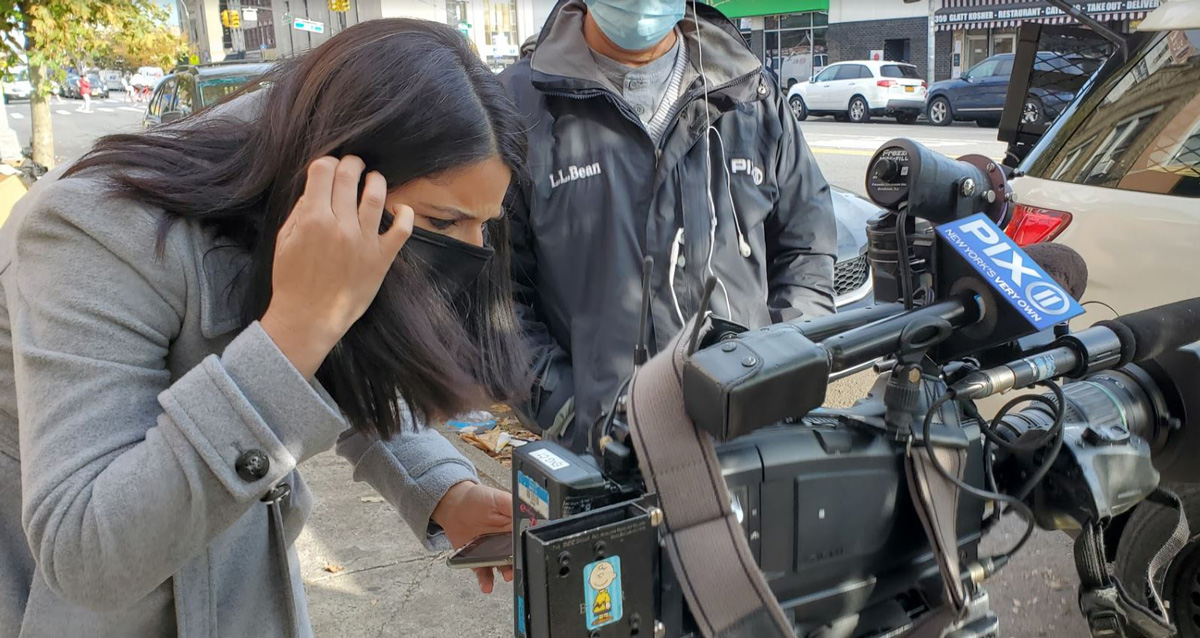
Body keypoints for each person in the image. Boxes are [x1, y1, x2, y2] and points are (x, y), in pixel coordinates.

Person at [0, 19, 528, 638]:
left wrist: (441, 490)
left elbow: (348, 357)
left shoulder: (303, 186)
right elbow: (85, 553)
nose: (472, 251)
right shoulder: (93, 231)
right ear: (343, 176)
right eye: (443, 222)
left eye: (485, 225)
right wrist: (296, 331)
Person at [499, 0, 837, 452]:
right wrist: (572, 413)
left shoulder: (751, 93)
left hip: (752, 443)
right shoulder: (516, 107)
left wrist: (783, 373)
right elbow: (497, 299)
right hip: (604, 457)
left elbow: (807, 250)